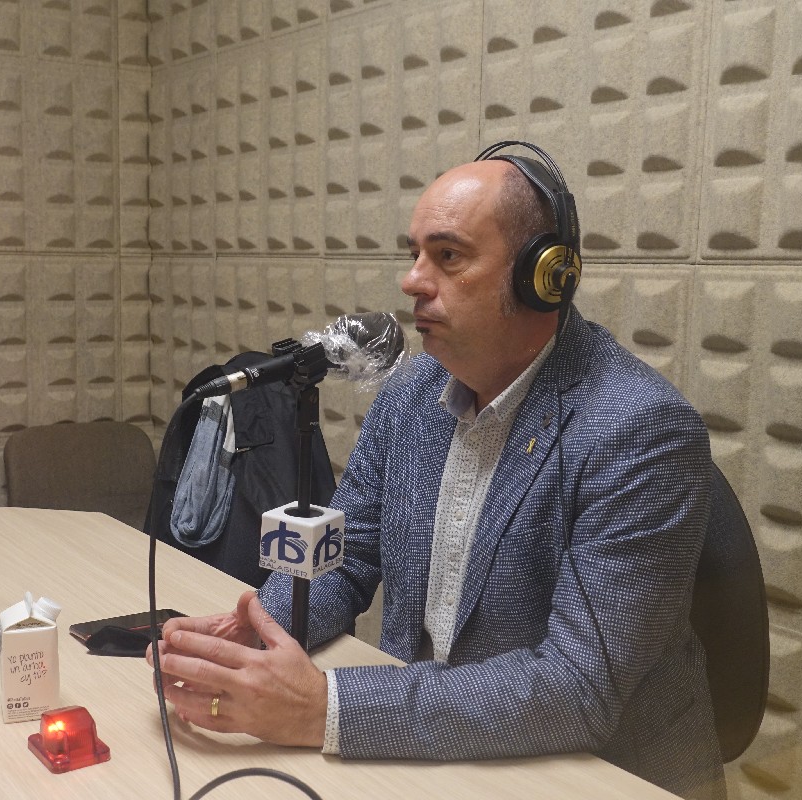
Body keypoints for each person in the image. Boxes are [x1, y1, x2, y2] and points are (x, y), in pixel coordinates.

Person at [146, 143, 726, 800]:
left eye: (448, 256)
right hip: (427, 753)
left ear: (543, 277)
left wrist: (324, 707)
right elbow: (348, 555)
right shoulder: (413, 392)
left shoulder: (639, 428)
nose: (412, 280)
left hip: (594, 775)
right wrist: (259, 631)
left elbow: (577, 688)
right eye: (416, 253)